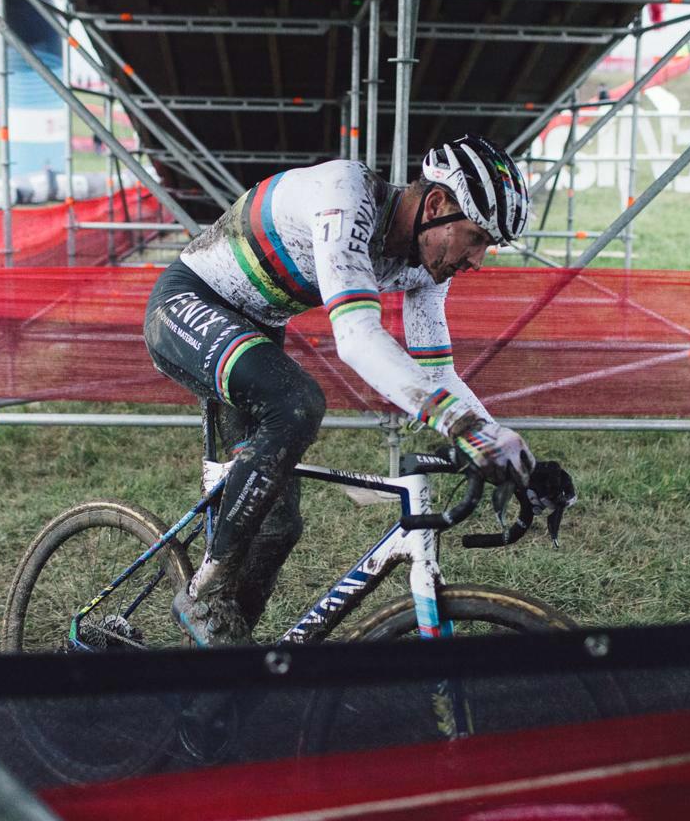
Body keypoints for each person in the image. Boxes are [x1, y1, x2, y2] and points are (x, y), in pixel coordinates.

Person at [144, 134, 543, 646]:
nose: (478, 261)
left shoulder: (426, 264)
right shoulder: (346, 194)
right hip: (186, 304)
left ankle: (224, 666)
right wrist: (460, 425)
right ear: (438, 205)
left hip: (256, 327)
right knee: (297, 404)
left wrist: (511, 450)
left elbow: (438, 374)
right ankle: (203, 590)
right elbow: (356, 338)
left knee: (277, 528)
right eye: (476, 238)